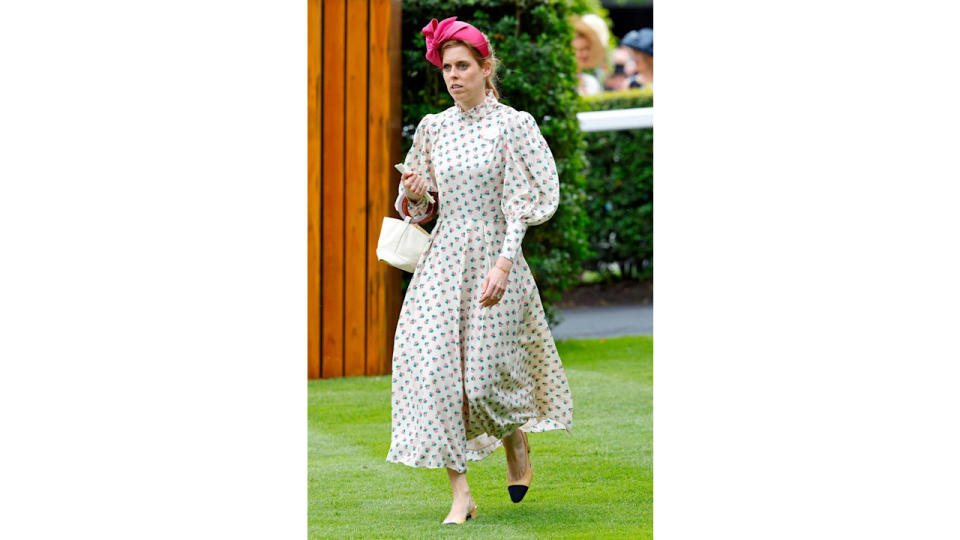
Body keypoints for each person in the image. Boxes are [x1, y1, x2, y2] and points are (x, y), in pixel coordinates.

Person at [387, 16, 573, 526]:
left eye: (463, 65)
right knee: (433, 375)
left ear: (485, 67)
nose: (453, 76)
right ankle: (461, 493)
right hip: (443, 261)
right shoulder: (433, 128)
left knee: (486, 381)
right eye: (446, 67)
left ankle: (515, 436)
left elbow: (523, 201)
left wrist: (506, 261)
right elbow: (414, 208)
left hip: (496, 255)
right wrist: (416, 194)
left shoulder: (514, 125)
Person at [571, 14, 609, 96]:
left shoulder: (592, 82)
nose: (585, 54)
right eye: (580, 50)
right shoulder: (562, 82)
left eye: (587, 48)